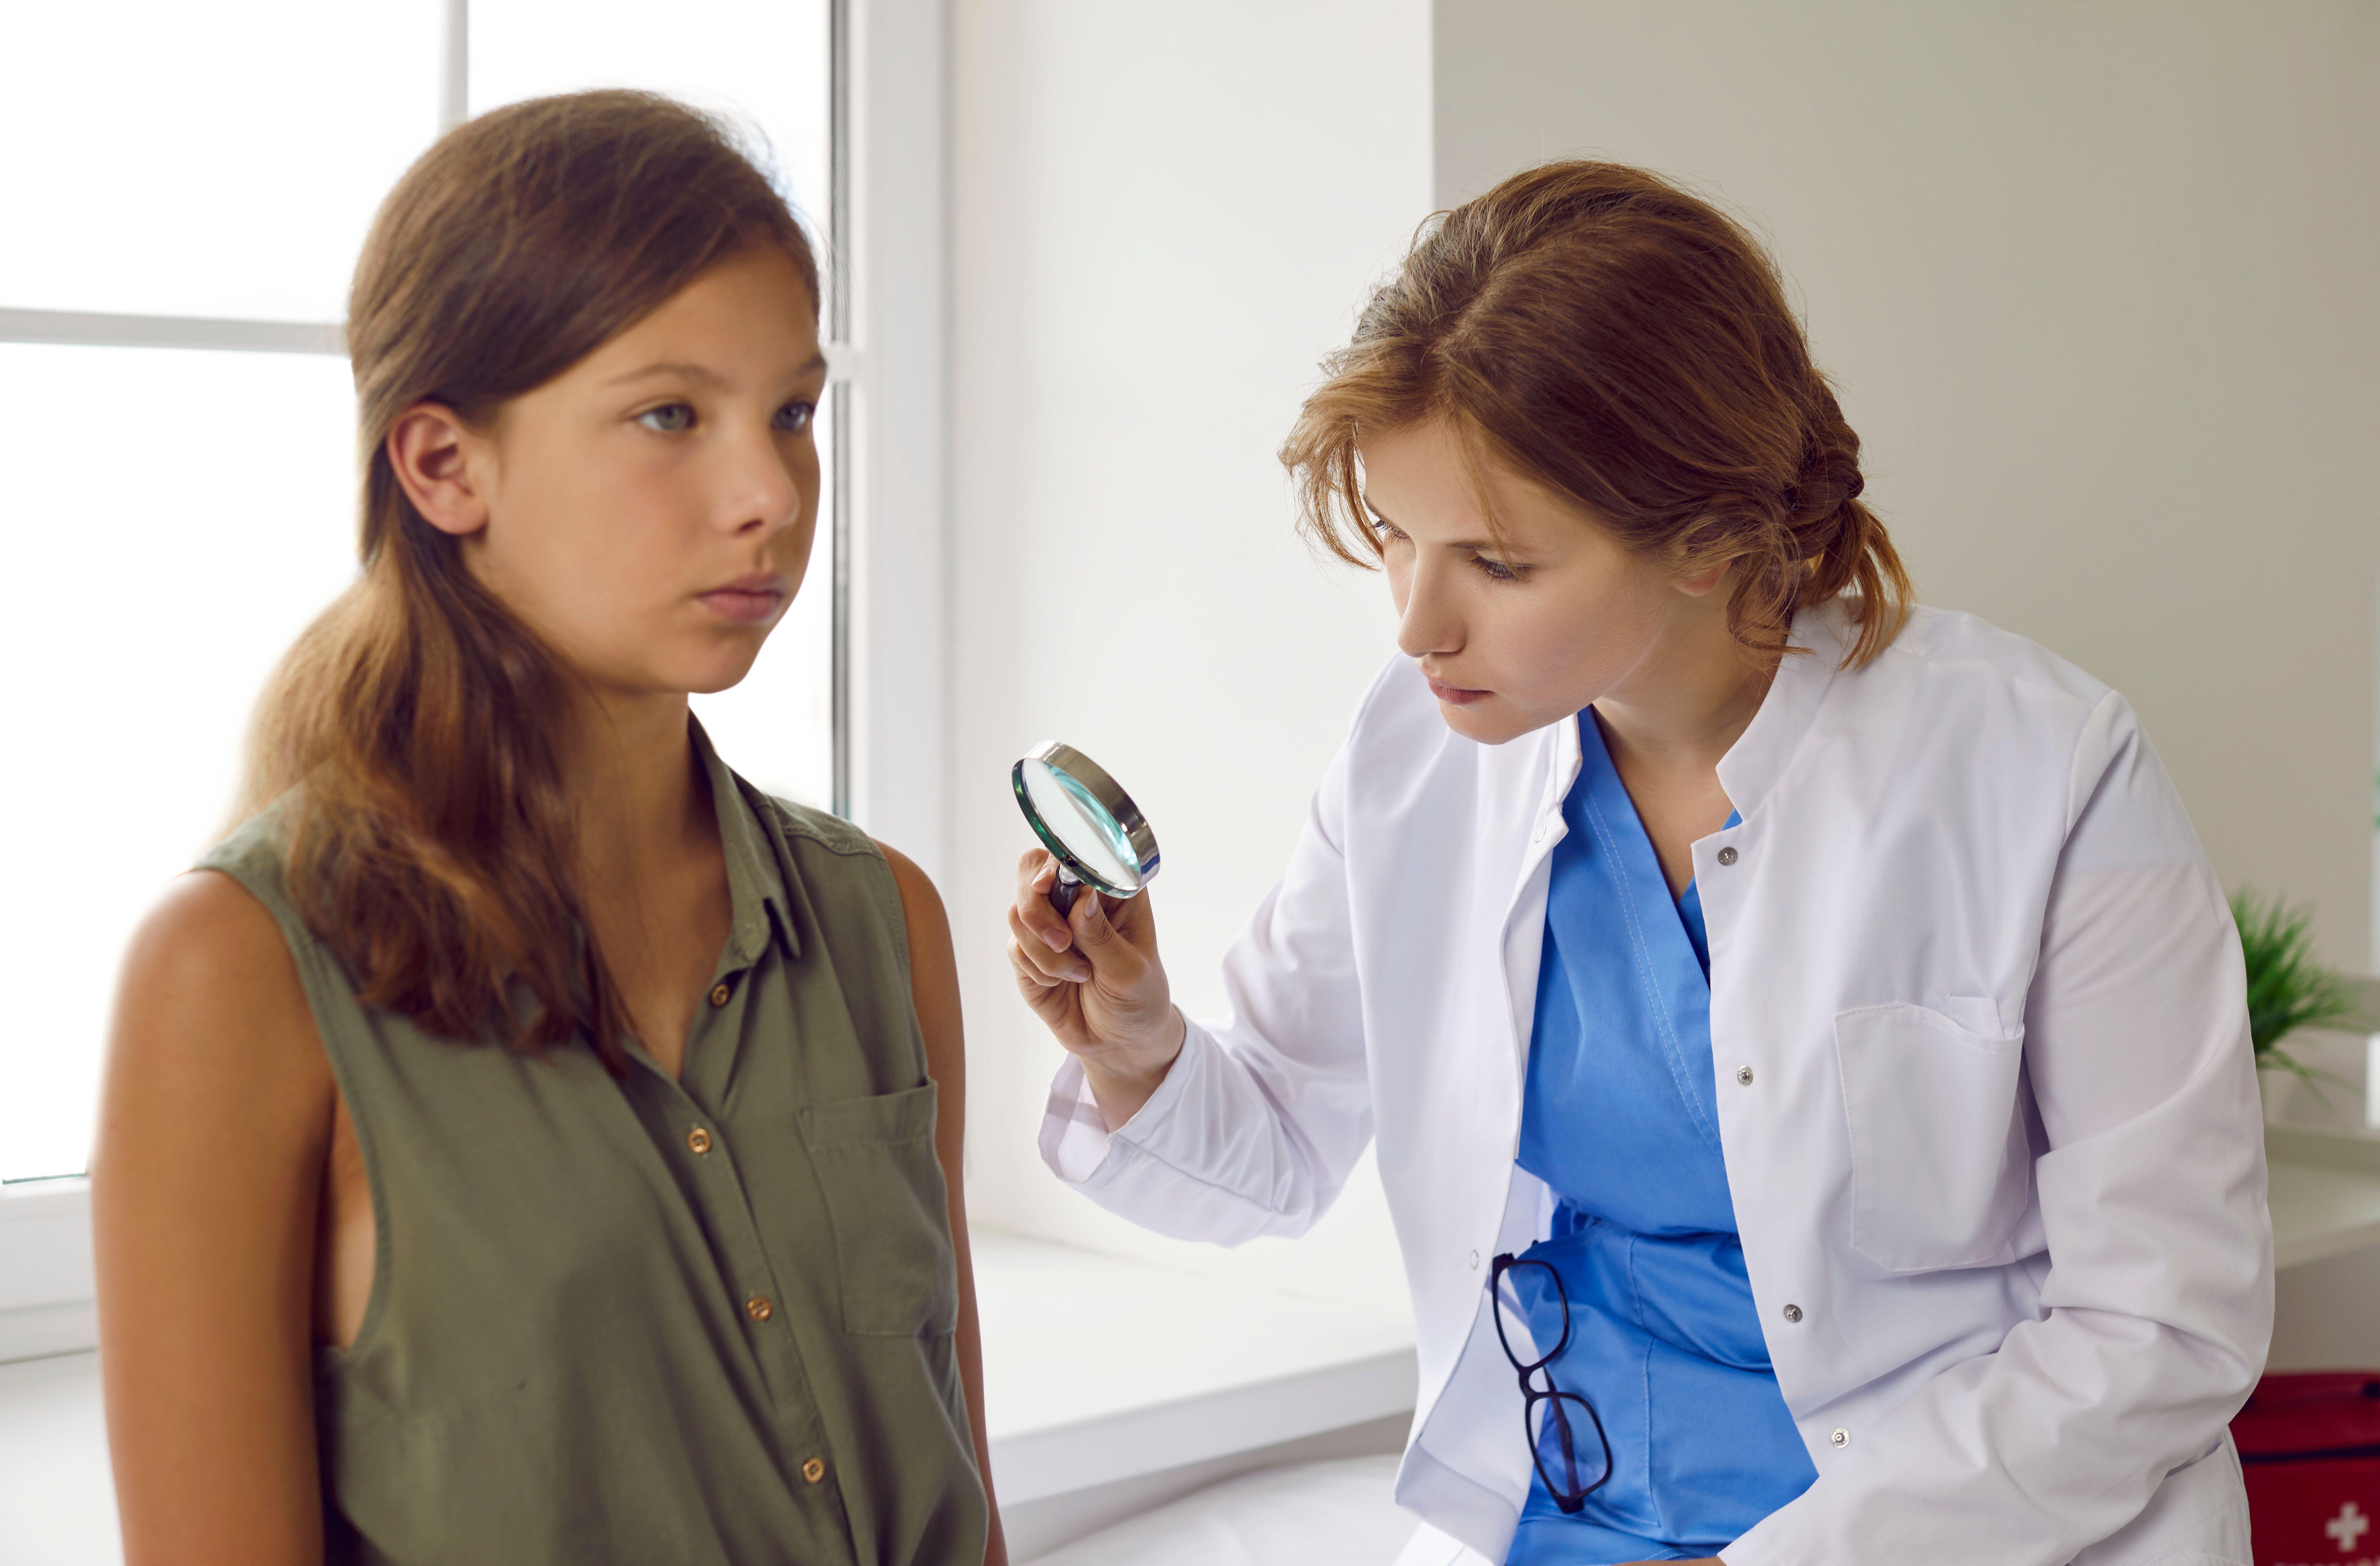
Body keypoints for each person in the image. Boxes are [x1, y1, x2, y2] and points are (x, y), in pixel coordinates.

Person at [1008, 160, 2271, 1566]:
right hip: (1564, 1516)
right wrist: (1136, 1048)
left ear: (1711, 538)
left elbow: (2158, 1326)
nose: (1417, 626)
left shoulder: (2043, 767)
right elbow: (1288, 1138)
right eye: (1393, 537)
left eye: (1495, 563)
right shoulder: (1416, 754)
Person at [92, 90, 1002, 1566]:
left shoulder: (883, 922)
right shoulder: (237, 975)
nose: (770, 494)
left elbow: (958, 1482)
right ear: (444, 466)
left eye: (792, 411)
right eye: (668, 415)